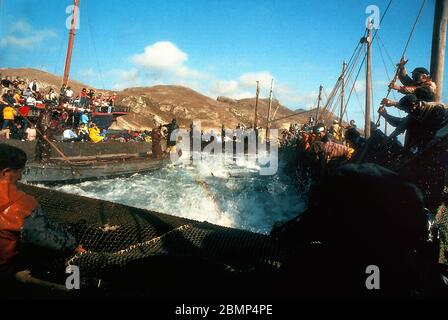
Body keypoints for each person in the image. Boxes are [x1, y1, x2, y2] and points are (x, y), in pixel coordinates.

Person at [0, 144, 84, 275]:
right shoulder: (21, 204)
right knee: (73, 268)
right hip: (7, 270)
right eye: (19, 172)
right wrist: (73, 246)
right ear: (6, 173)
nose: (21, 177)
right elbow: (42, 236)